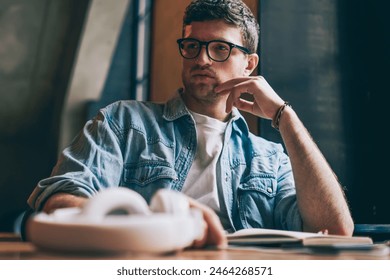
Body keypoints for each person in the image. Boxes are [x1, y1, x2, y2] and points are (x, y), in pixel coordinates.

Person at [26, 0, 354, 248]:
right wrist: (153, 219)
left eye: (220, 49)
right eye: (192, 46)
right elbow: (59, 200)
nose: (201, 59)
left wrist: (285, 117)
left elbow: (335, 229)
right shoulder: (123, 122)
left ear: (249, 64)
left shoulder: (271, 157)